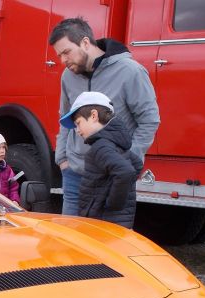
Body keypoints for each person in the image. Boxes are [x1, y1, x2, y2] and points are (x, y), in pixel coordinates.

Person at [49, 17, 159, 216]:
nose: (63, 60)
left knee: (104, 241)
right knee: (71, 241)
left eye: (66, 52)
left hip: (111, 175)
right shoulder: (67, 76)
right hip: (74, 174)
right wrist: (62, 159)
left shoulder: (130, 72)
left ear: (84, 42)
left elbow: (149, 120)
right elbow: (65, 118)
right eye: (59, 55)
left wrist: (130, 159)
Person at [59, 91, 142, 228]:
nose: (77, 130)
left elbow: (125, 172)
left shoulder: (101, 146)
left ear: (94, 115)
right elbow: (136, 164)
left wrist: (112, 203)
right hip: (116, 223)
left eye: (78, 123)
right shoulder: (115, 142)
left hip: (104, 224)